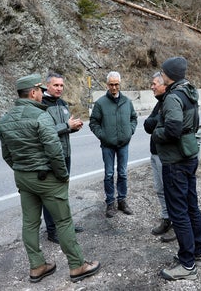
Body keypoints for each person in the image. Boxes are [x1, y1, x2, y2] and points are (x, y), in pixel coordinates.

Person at [0, 73, 100, 283]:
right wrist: (62, 175)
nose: (42, 94)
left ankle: (37, 266)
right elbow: (54, 150)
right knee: (63, 221)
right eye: (40, 91)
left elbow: (7, 155)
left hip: (23, 179)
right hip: (46, 178)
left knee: (30, 223)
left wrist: (22, 170)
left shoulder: (4, 121)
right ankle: (77, 265)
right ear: (33, 93)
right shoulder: (40, 117)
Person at [151, 57, 201, 281]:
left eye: (163, 72)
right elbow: (193, 124)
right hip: (189, 157)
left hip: (175, 162)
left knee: (179, 212)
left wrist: (157, 133)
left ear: (169, 75)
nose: (161, 75)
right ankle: (197, 253)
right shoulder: (190, 92)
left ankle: (187, 264)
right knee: (192, 206)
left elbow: (172, 129)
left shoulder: (173, 97)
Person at [41, 72, 84, 242]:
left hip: (65, 155)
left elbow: (63, 129)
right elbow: (44, 132)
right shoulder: (41, 105)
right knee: (50, 195)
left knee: (63, 193)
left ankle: (65, 225)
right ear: (48, 86)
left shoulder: (62, 103)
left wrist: (73, 127)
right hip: (51, 157)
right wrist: (67, 125)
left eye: (61, 85)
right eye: (56, 85)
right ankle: (52, 231)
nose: (59, 88)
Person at [89, 71, 138, 218]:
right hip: (107, 145)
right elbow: (93, 122)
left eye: (116, 84)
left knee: (122, 173)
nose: (114, 87)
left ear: (120, 84)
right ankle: (110, 202)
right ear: (107, 85)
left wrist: (130, 131)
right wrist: (102, 135)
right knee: (109, 174)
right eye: (111, 84)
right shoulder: (101, 103)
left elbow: (134, 118)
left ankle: (122, 200)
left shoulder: (127, 102)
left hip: (123, 144)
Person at [143, 72, 176, 242]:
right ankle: (166, 219)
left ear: (164, 85)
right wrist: (155, 122)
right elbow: (148, 124)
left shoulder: (170, 102)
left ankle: (177, 226)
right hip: (155, 152)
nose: (152, 86)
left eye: (154, 83)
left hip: (165, 156)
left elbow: (156, 125)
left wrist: (154, 122)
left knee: (171, 191)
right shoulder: (159, 104)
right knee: (159, 190)